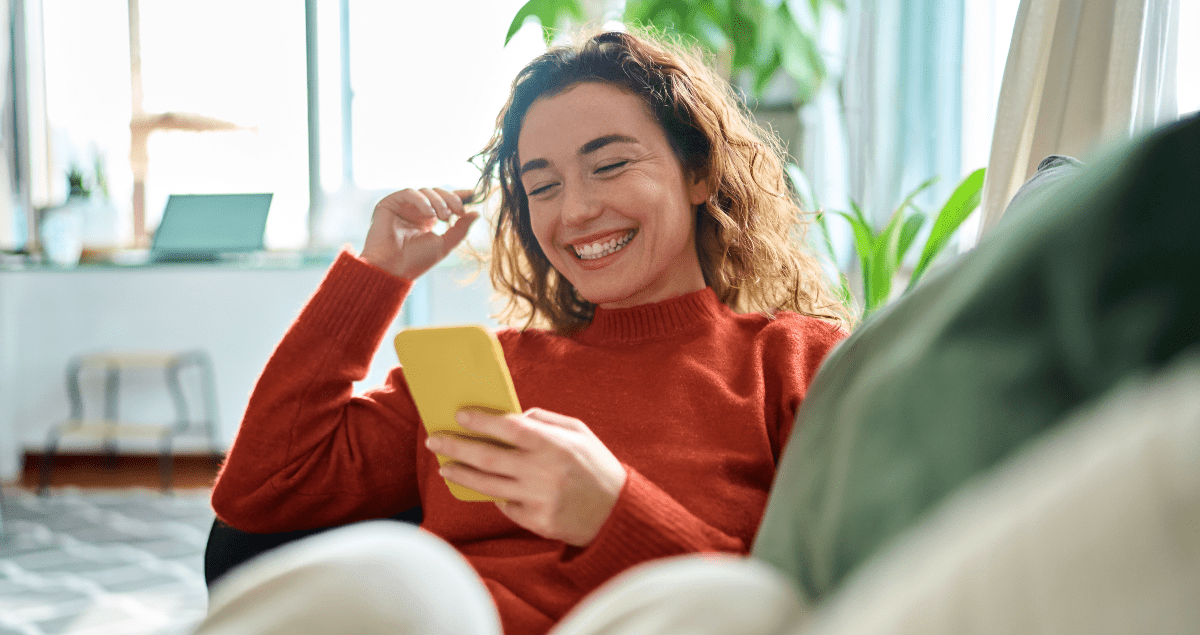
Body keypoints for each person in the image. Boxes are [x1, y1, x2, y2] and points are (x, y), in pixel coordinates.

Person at [203, 29, 848, 635]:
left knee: (746, 598)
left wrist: (614, 512)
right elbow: (259, 492)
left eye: (610, 165)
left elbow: (822, 597)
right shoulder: (485, 376)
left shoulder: (793, 362)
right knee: (401, 573)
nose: (576, 211)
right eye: (543, 186)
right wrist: (376, 276)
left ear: (698, 171)